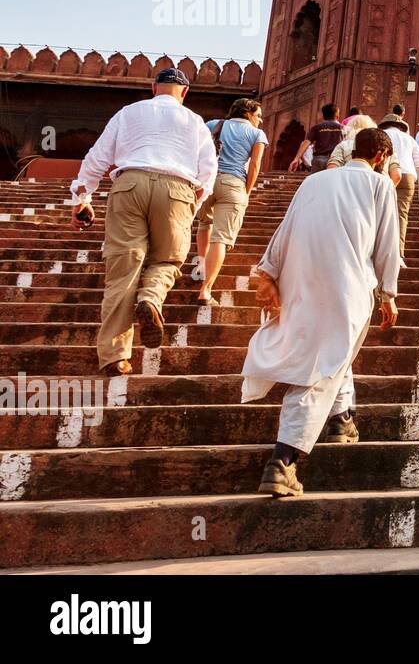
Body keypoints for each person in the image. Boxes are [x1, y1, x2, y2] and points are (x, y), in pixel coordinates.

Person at [244, 127, 401, 497]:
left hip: (300, 280)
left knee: (333, 354)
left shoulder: (315, 182)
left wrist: (268, 271)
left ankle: (343, 420)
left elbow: (286, 228)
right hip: (346, 285)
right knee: (319, 369)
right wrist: (389, 294)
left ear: (351, 152)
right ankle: (283, 461)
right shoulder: (381, 187)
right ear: (381, 158)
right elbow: (388, 245)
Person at [69, 67, 217, 375]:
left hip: (129, 184)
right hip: (177, 189)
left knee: (122, 271)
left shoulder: (128, 113)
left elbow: (96, 158)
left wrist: (83, 197)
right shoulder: (195, 122)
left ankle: (114, 357)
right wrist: (194, 203)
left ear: (154, 87)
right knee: (168, 260)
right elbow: (208, 174)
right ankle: (151, 297)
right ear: (185, 92)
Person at [195, 98, 267, 304]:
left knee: (204, 223)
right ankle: (205, 290)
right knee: (221, 239)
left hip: (207, 181)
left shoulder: (213, 125)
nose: (260, 120)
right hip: (233, 183)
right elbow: (254, 165)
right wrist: (247, 191)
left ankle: (201, 264)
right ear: (248, 113)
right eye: (258, 115)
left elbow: (197, 152)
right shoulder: (256, 134)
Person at [378, 112, 419, 258]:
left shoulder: (380, 135)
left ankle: (379, 252)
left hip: (384, 174)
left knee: (380, 212)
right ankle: (398, 253)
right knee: (401, 215)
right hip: (407, 176)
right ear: (400, 126)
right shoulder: (409, 138)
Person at [327, 115, 400, 185]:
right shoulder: (385, 147)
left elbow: (332, 170)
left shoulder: (343, 145)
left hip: (348, 189)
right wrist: (388, 190)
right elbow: (397, 175)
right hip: (379, 189)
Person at [289, 104, 346, 173]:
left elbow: (306, 142)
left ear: (323, 115)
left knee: (316, 182)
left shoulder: (316, 128)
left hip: (319, 160)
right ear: (337, 115)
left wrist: (296, 159)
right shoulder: (342, 128)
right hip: (335, 161)